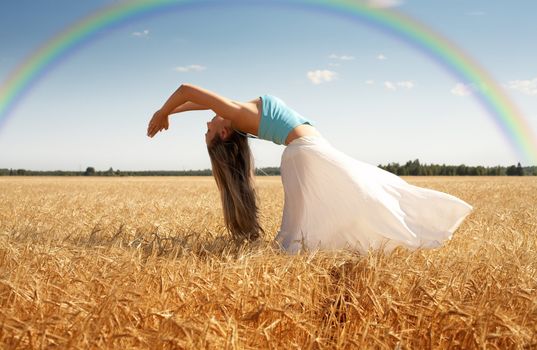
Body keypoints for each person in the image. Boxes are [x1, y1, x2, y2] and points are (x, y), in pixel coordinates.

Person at [147, 83, 473, 254]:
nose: (207, 121)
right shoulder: (235, 112)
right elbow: (188, 89)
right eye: (208, 129)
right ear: (224, 133)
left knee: (367, 194)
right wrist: (164, 112)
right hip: (306, 154)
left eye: (206, 126)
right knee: (364, 197)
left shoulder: (235, 111)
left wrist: (169, 113)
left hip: (309, 152)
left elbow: (196, 99)